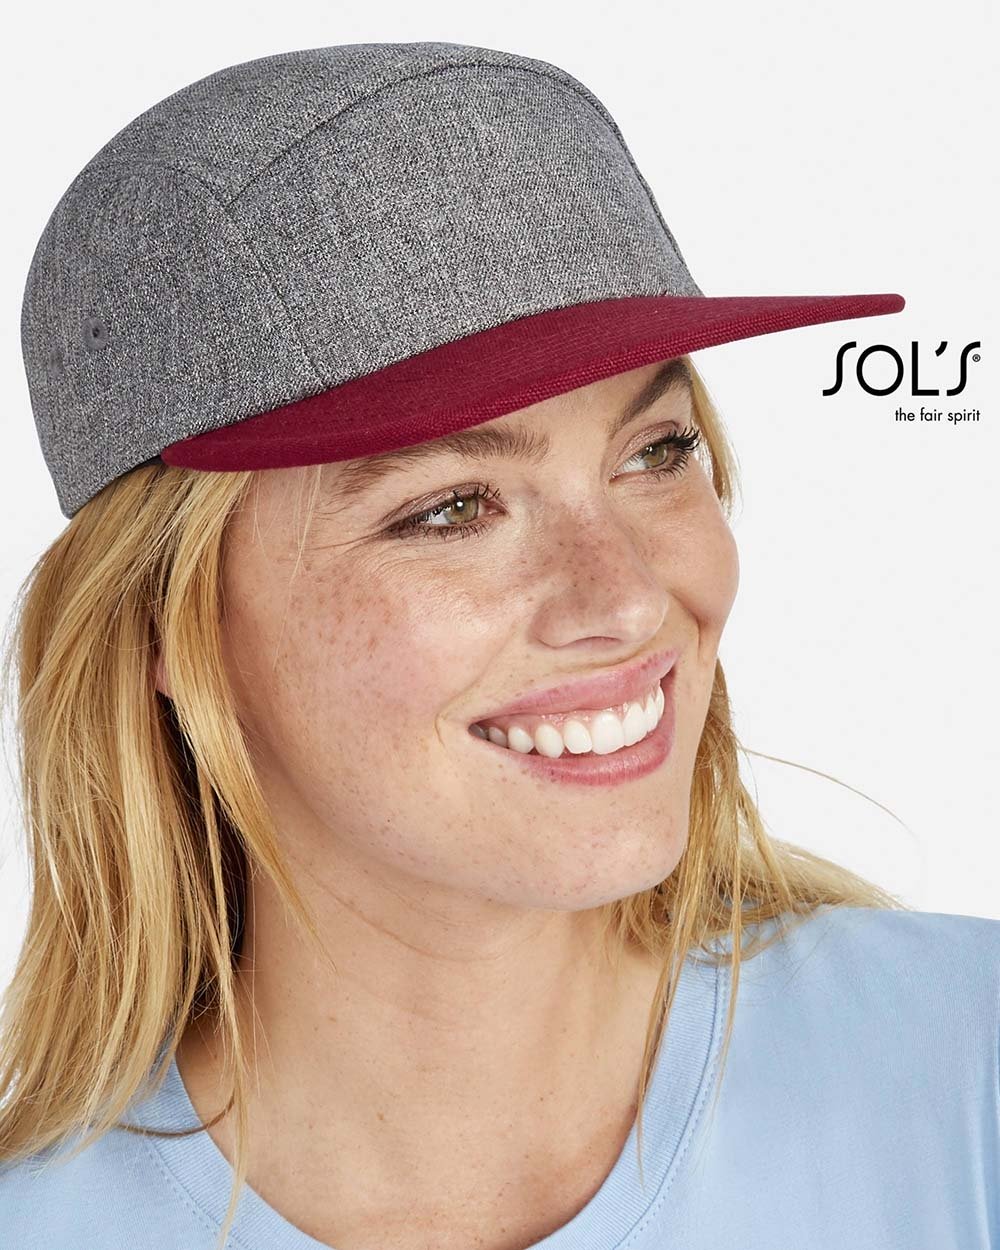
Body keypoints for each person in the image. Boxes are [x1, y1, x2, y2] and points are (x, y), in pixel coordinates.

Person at [1, 40, 997, 1250]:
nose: (624, 597)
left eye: (656, 452)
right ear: (168, 619)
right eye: (451, 509)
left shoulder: (969, 1064)